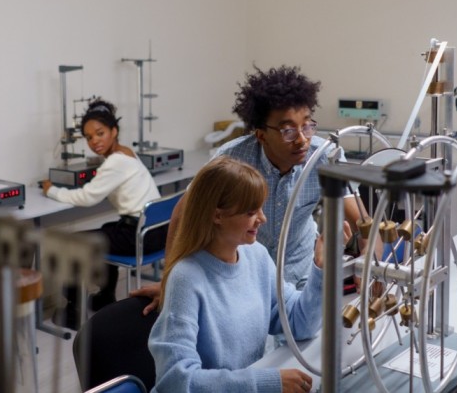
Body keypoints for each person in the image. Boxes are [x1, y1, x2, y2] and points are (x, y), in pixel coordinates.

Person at [132, 65, 378, 315]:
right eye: (288, 131)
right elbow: (182, 214)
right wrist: (170, 282)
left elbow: (363, 221)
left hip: (299, 267)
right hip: (245, 273)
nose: (302, 139)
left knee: (305, 336)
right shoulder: (231, 158)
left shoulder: (324, 156)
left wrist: (372, 264)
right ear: (261, 135)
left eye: (307, 126)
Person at [149, 157, 348, 393]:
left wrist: (321, 267)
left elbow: (299, 324)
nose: (262, 218)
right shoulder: (186, 278)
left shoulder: (256, 256)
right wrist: (266, 383)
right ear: (217, 215)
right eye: (251, 212)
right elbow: (176, 381)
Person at [41, 98, 166, 329]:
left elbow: (86, 197)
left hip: (138, 237)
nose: (94, 141)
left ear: (114, 131)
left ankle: (72, 311)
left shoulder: (114, 162)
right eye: (89, 137)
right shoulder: (127, 153)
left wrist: (52, 190)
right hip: (154, 233)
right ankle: (105, 296)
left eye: (100, 133)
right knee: (107, 231)